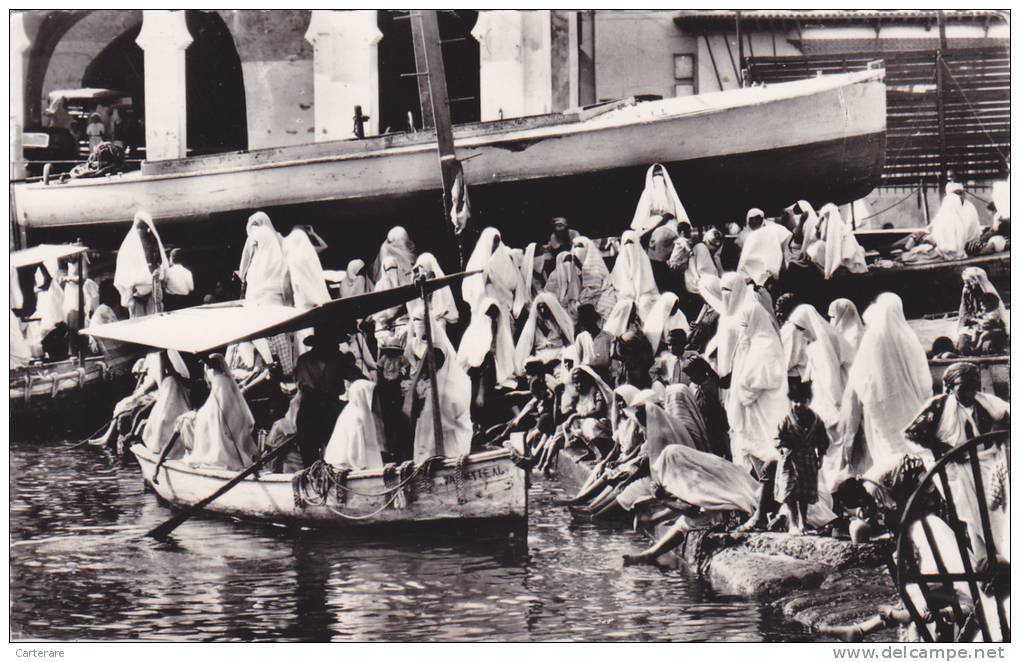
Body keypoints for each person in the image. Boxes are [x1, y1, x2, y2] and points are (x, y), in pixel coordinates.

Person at [903, 361, 1010, 558]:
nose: (971, 391)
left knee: (998, 506)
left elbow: (1008, 415)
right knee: (973, 514)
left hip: (987, 461)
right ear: (951, 387)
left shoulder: (987, 402)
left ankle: (1005, 553)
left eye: (974, 385)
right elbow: (912, 436)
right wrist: (942, 449)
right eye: (964, 387)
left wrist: (1000, 427)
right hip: (955, 466)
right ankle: (985, 557)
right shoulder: (938, 406)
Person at [838, 293, 932, 474]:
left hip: (881, 405)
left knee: (888, 451)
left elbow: (859, 377)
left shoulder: (872, 338)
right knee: (913, 446)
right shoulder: (908, 337)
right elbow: (924, 380)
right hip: (911, 405)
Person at [727, 301, 788, 471]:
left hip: (765, 407)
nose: (744, 330)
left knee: (768, 449)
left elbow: (757, 380)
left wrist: (742, 389)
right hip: (758, 407)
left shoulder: (765, 344)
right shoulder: (755, 341)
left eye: (746, 325)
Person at [180, 354, 258, 471]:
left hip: (224, 416)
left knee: (204, 424)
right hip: (230, 415)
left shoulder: (220, 380)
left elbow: (219, 403)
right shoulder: (225, 379)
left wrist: (203, 413)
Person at [773, 378, 830, 534]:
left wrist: (820, 457)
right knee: (791, 493)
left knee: (804, 495)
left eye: (803, 401)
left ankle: (803, 523)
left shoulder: (816, 420)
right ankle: (793, 524)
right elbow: (778, 437)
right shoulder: (786, 419)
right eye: (796, 401)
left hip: (808, 460)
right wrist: (783, 448)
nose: (799, 405)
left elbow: (823, 440)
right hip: (790, 461)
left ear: (809, 401)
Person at [291, 330, 354, 467]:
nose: (337, 347)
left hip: (330, 407)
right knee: (310, 452)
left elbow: (355, 376)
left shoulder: (338, 358)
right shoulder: (305, 361)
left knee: (335, 452)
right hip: (313, 409)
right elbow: (304, 385)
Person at [406, 345, 473, 462]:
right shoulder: (423, 382)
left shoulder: (452, 381)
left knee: (448, 453)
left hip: (448, 425)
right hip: (427, 422)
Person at [462, 227, 527, 319]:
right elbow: (474, 289)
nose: (496, 245)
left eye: (498, 241)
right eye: (494, 241)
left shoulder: (503, 257)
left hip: (503, 305)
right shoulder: (477, 262)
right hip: (486, 305)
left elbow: (511, 281)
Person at [114, 211, 168, 318]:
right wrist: (129, 290)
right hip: (135, 295)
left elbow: (161, 265)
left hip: (153, 292)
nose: (143, 230)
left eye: (146, 227)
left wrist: (158, 273)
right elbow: (123, 273)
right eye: (140, 227)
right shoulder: (127, 247)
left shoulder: (154, 243)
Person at [323, 380, 384, 471]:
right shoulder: (354, 416)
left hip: (359, 464)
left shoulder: (363, 413)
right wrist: (361, 466)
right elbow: (355, 451)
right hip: (349, 465)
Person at [140, 351, 192, 457]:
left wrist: (161, 387)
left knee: (163, 416)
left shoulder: (162, 354)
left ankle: (161, 447)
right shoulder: (168, 352)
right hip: (173, 381)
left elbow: (161, 374)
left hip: (169, 382)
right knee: (167, 415)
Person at [514, 293, 575, 374]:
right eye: (539, 308)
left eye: (544, 307)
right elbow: (528, 345)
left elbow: (568, 344)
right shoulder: (533, 325)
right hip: (540, 357)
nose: (542, 311)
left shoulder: (560, 324)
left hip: (558, 356)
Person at [956, 267, 1009, 355]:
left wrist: (984, 323)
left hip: (990, 329)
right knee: (963, 348)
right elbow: (964, 314)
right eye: (965, 284)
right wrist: (972, 321)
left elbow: (994, 319)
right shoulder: (966, 292)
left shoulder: (989, 297)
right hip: (972, 328)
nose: (967, 286)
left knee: (987, 347)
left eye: (969, 283)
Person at [238, 211, 287, 306]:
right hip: (278, 278)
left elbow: (246, 257)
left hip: (259, 276)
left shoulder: (253, 235)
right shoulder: (279, 236)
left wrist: (242, 276)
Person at [610, 230, 659, 320]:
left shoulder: (644, 259)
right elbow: (617, 283)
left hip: (645, 294)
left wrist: (638, 297)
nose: (629, 246)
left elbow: (649, 284)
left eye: (631, 242)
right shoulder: (620, 261)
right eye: (626, 243)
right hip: (625, 295)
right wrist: (630, 297)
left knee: (644, 305)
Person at [811, 204, 868, 279]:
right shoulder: (833, 226)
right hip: (841, 257)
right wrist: (819, 224)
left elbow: (848, 251)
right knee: (816, 247)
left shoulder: (840, 227)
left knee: (818, 247)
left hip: (847, 259)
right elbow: (820, 237)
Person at [737, 208, 791, 287]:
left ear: (762, 219)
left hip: (772, 271)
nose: (755, 221)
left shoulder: (772, 229)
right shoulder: (746, 235)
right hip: (754, 273)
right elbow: (745, 258)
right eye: (752, 219)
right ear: (748, 221)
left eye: (757, 218)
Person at [630, 163, 689, 235]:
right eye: (655, 175)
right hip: (651, 222)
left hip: (668, 223)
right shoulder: (647, 193)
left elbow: (670, 214)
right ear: (651, 177)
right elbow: (642, 213)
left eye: (660, 175)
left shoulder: (669, 192)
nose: (658, 178)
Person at [408, 253, 459, 332]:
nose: (419, 273)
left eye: (422, 268)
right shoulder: (418, 282)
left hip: (436, 320)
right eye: (418, 269)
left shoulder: (437, 286)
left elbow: (440, 310)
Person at [571, 236, 617, 321]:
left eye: (580, 246)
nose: (577, 249)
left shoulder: (596, 266)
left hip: (602, 295)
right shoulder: (573, 268)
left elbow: (596, 286)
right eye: (575, 246)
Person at [372, 256, 410, 347]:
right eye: (389, 269)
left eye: (394, 268)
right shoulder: (380, 286)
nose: (392, 272)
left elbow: (410, 309)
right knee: (384, 338)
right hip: (385, 324)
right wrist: (386, 319)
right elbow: (377, 312)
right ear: (384, 270)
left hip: (403, 321)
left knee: (404, 334)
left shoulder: (405, 284)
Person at [572, 303, 614, 382]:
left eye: (587, 320)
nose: (584, 324)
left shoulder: (608, 337)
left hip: (604, 374)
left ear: (594, 319)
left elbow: (613, 360)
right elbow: (577, 360)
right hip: (587, 374)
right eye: (582, 322)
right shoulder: (581, 338)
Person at [682, 228, 724, 302]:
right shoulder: (702, 248)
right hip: (699, 290)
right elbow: (706, 273)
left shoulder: (703, 248)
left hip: (698, 288)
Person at [544, 252, 580, 320]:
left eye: (570, 260)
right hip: (557, 308)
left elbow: (576, 292)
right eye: (565, 260)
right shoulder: (554, 276)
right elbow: (550, 295)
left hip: (571, 307)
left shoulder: (573, 274)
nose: (568, 263)